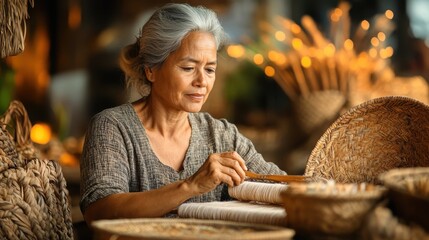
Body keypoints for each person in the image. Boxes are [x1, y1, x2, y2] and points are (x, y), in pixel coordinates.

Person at [80, 3, 286, 224]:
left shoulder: (222, 136)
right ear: (151, 69)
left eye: (210, 70)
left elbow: (280, 185)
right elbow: (98, 210)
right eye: (188, 68)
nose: (202, 82)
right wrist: (191, 186)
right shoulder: (113, 127)